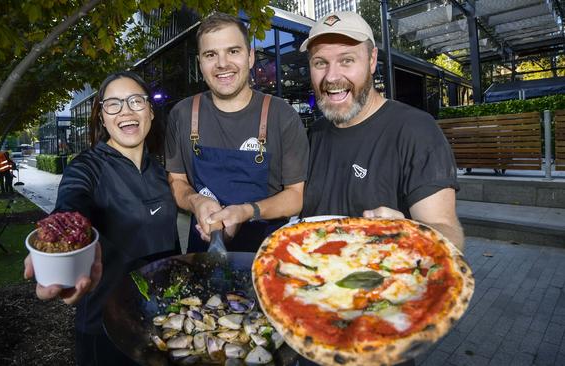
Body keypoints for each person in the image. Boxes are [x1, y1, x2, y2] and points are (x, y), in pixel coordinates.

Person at [299, 11, 464, 366]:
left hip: (378, 333)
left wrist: (411, 234)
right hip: (308, 321)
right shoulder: (313, 135)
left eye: (347, 60)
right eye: (320, 63)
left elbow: (449, 233)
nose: (332, 77)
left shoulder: (416, 131)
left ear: (372, 60)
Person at [24, 71, 180, 365]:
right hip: (107, 330)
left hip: (163, 324)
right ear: (102, 117)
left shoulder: (162, 174)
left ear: (150, 111)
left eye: (136, 101)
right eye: (114, 104)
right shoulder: (86, 168)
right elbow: (72, 202)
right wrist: (63, 232)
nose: (126, 111)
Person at [165, 12, 309, 253]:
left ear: (250, 56)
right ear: (200, 63)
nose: (222, 63)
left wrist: (245, 212)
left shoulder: (282, 115)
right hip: (202, 250)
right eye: (211, 55)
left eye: (233, 51)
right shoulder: (182, 114)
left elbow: (295, 197)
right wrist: (196, 201)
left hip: (267, 254)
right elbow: (177, 181)